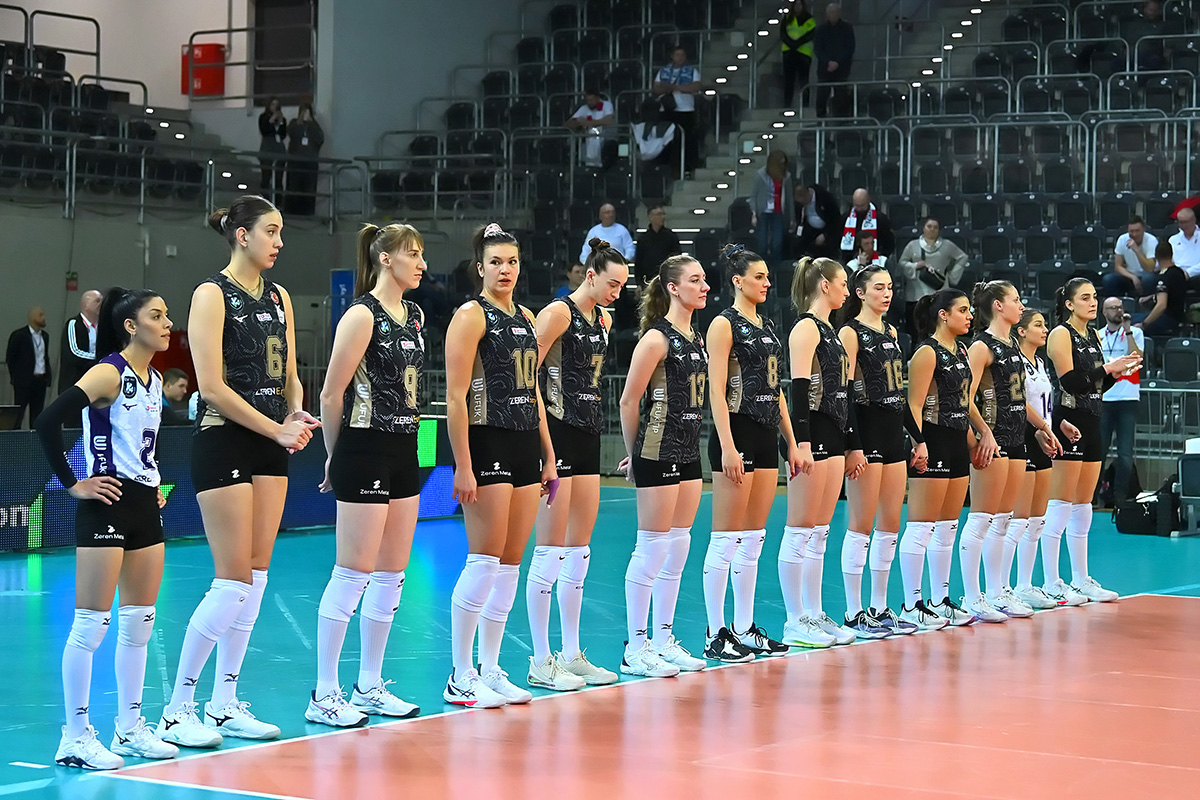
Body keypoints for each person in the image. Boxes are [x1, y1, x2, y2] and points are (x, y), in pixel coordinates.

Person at [159, 196, 319, 748]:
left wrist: (294, 412)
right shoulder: (211, 294)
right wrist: (275, 430)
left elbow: (291, 373)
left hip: (271, 443)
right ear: (242, 235)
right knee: (231, 581)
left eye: (281, 232)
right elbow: (211, 387)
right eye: (271, 231)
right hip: (224, 439)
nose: (279, 242)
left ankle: (223, 703)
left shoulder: (280, 296)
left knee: (255, 578)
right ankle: (177, 708)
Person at [37, 288, 179, 770]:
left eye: (167, 315)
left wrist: (152, 483)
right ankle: (74, 737)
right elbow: (47, 421)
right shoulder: (108, 372)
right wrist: (74, 484)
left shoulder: (155, 379)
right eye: (157, 316)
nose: (167, 323)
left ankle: (130, 728)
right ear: (130, 326)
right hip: (106, 505)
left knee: (140, 623)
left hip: (143, 506)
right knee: (91, 625)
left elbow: (141, 443)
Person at [306, 223, 428, 728]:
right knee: (352, 572)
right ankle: (324, 692)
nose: (421, 263)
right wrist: (334, 456)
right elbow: (330, 393)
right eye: (412, 254)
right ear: (385, 258)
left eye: (421, 254)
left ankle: (369, 685)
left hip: (405, 447)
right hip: (364, 446)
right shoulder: (361, 315)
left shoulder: (415, 315)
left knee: (392, 574)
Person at [442, 223, 557, 708]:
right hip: (486, 440)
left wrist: (548, 455)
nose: (505, 270)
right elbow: (454, 395)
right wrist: (463, 465)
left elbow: (534, 391)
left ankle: (490, 668)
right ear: (480, 267)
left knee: (510, 565)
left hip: (525, 443)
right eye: (495, 262)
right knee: (484, 561)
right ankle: (460, 674)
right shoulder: (472, 315)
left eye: (511, 262)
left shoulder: (527, 317)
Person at [527, 238, 629, 691]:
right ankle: (540, 659)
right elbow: (524, 374)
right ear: (590, 275)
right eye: (612, 284)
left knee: (579, 550)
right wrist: (542, 446)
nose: (616, 293)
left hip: (588, 434)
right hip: (556, 433)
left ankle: (571, 653)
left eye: (622, 286)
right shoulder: (558, 313)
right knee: (549, 550)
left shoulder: (603, 319)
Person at [703, 244, 803, 661]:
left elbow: (775, 389)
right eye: (758, 277)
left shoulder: (767, 326)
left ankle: (744, 628)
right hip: (736, 433)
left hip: (764, 435)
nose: (766, 283)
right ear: (737, 281)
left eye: (767, 276)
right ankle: (715, 633)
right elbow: (716, 389)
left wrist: (792, 442)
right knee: (725, 538)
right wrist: (727, 445)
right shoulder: (723, 324)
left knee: (753, 539)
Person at [617, 253, 710, 676]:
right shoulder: (657, 338)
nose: (704, 287)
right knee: (652, 548)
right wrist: (634, 454)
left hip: (689, 451)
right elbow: (628, 400)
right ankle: (635, 647)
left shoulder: (697, 337)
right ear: (673, 288)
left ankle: (663, 639)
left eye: (704, 279)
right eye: (695, 280)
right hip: (657, 451)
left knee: (678, 546)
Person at [1041, 278, 1141, 605]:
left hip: (1093, 420)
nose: (1093, 302)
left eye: (1094, 297)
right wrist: (1108, 368)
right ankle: (1051, 581)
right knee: (1061, 504)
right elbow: (1071, 382)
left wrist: (1115, 374)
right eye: (1085, 298)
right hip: (1068, 420)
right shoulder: (1061, 333)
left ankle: (1081, 579)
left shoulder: (1093, 335)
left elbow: (1095, 387)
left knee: (1084, 506)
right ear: (1069, 304)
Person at [779, 257, 862, 647]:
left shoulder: (832, 331)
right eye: (842, 283)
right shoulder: (806, 328)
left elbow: (843, 392)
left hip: (833, 432)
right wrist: (802, 443)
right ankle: (794, 619)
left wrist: (852, 444)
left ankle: (813, 612)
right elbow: (798, 390)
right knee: (799, 529)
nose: (847, 290)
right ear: (824, 285)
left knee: (820, 532)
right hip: (811, 434)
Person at [836, 264, 921, 637]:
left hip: (892, 437)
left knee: (889, 526)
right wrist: (853, 445)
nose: (886, 294)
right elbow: (844, 393)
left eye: (889, 288)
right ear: (860, 293)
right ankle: (853, 612)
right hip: (866, 434)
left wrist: (917, 437)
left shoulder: (891, 332)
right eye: (878, 288)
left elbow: (898, 392)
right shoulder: (850, 332)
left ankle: (879, 607)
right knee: (860, 527)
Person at [965, 282, 1058, 621]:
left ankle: (997, 591)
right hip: (994, 440)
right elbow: (965, 397)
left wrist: (1043, 427)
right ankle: (972, 597)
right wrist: (984, 433)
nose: (1021, 305)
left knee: (1004, 521)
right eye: (1015, 300)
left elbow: (1019, 398)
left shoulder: (1013, 346)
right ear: (998, 306)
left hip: (1018, 438)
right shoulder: (981, 346)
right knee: (981, 520)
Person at [897, 289, 975, 629]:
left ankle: (939, 600)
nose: (969, 316)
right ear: (943, 315)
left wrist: (978, 437)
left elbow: (964, 401)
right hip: (934, 439)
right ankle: (911, 604)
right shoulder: (927, 352)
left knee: (947, 527)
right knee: (921, 526)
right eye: (963, 310)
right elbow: (913, 404)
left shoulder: (961, 350)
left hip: (957, 441)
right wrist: (920, 443)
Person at [1010, 309, 1069, 610]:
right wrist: (1044, 428)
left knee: (1036, 520)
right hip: (1024, 436)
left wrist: (1058, 424)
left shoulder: (1041, 362)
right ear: (1021, 331)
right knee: (1018, 520)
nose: (1045, 329)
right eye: (1038, 325)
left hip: (1042, 437)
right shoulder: (1015, 361)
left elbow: (1044, 404)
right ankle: (1002, 588)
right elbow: (1020, 402)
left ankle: (1024, 585)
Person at [898, 217, 968, 337]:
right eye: (929, 226)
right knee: (916, 329)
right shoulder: (913, 245)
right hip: (916, 293)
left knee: (937, 328)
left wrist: (951, 275)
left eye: (935, 227)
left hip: (939, 291)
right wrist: (915, 265)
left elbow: (962, 257)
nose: (932, 229)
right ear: (923, 228)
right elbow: (902, 263)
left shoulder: (947, 245)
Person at [653, 46, 702, 173]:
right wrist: (667, 89)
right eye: (677, 55)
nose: (680, 57)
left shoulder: (692, 71)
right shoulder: (663, 71)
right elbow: (656, 88)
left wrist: (676, 87)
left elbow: (696, 86)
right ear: (672, 56)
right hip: (667, 110)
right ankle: (665, 167)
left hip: (685, 110)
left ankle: (687, 167)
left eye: (682, 55)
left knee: (687, 139)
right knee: (665, 139)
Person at [6, 306, 51, 428]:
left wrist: (47, 377)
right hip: (23, 381)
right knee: (19, 413)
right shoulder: (19, 335)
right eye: (40, 315)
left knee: (37, 414)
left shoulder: (45, 336)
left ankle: (35, 437)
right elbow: (10, 358)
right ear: (32, 317)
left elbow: (45, 357)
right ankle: (15, 437)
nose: (44, 318)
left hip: (40, 380)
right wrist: (16, 377)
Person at [1135, 240, 1187, 335]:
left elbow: (1161, 305)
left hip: (1167, 318)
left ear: (1156, 257)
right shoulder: (1179, 272)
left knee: (1129, 322)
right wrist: (1150, 297)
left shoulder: (1164, 276)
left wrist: (1144, 324)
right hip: (1178, 317)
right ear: (1171, 254)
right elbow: (1172, 295)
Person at [750, 151, 793, 266]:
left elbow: (789, 198)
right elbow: (753, 196)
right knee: (762, 244)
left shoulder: (786, 177)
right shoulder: (760, 176)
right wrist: (754, 213)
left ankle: (777, 269)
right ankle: (762, 267)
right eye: (780, 163)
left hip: (778, 212)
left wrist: (792, 218)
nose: (782, 166)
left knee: (777, 243)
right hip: (763, 212)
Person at [813, 2, 855, 118]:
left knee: (841, 96)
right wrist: (828, 62)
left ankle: (842, 120)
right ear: (826, 14)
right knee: (822, 95)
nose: (833, 14)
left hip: (842, 69)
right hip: (824, 69)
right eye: (831, 12)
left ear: (839, 13)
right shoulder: (820, 29)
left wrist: (837, 62)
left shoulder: (847, 28)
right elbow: (818, 49)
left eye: (835, 12)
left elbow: (849, 48)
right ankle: (820, 119)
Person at [1102, 216, 1158, 299]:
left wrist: (1137, 250)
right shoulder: (1122, 239)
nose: (1134, 234)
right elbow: (1118, 266)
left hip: (1147, 274)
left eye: (1137, 231)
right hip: (1130, 275)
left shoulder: (1151, 240)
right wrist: (1133, 277)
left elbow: (1150, 268)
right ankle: (1116, 304)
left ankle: (1146, 304)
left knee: (1148, 278)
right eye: (1131, 231)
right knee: (1108, 279)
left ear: (1143, 230)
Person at [59, 289, 102, 394]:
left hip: (94, 384)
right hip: (73, 383)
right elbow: (74, 352)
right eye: (97, 301)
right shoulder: (73, 324)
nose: (101, 304)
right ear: (86, 305)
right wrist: (100, 358)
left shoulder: (102, 327)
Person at [285, 102, 324, 216]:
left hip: (310, 162)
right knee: (294, 186)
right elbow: (291, 133)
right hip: (295, 161)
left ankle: (308, 212)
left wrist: (311, 123)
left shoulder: (315, 126)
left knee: (309, 188)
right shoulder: (294, 123)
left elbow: (320, 139)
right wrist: (300, 121)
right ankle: (293, 211)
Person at [564, 88, 615, 169]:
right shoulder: (584, 108)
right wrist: (578, 122)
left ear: (597, 98)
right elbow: (568, 124)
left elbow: (608, 121)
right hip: (588, 140)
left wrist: (588, 122)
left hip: (605, 138)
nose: (589, 103)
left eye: (591, 100)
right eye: (587, 100)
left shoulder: (606, 105)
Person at [840, 189, 895, 263]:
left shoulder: (880, 219)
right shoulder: (846, 218)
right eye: (857, 205)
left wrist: (880, 257)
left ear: (868, 201)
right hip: (850, 260)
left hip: (876, 260)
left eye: (862, 205)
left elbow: (889, 243)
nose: (859, 209)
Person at [791, 180, 841, 259]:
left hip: (827, 228)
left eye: (804, 202)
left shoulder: (824, 197)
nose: (802, 204)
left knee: (828, 245)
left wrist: (825, 234)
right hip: (809, 228)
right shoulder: (799, 204)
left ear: (808, 195)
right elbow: (799, 220)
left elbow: (835, 219)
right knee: (797, 244)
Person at [781, 0, 815, 108]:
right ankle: (787, 105)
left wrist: (796, 43)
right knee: (788, 81)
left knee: (804, 82)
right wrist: (793, 44)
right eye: (796, 4)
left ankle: (805, 106)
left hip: (803, 53)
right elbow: (783, 33)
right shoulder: (787, 18)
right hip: (789, 53)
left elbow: (811, 34)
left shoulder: (809, 19)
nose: (798, 6)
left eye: (800, 4)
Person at [635, 206, 682, 285]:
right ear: (650, 217)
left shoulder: (671, 236)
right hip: (648, 279)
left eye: (663, 214)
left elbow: (677, 258)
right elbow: (638, 262)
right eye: (659, 214)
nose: (662, 217)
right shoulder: (643, 238)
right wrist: (639, 283)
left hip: (667, 278)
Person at [257, 98, 287, 204]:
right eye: (273, 104)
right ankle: (263, 201)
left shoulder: (282, 119)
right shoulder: (263, 117)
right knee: (266, 177)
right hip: (267, 148)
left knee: (279, 178)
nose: (275, 107)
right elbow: (264, 130)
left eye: (277, 105)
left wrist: (280, 122)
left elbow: (283, 134)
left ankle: (278, 203)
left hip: (279, 150)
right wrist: (271, 120)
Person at [1170, 207, 1200, 287]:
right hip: (1177, 274)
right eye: (1181, 222)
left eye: (1186, 222)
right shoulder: (1173, 239)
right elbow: (1170, 260)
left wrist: (1189, 272)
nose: (1183, 225)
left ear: (1194, 221)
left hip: (1196, 274)